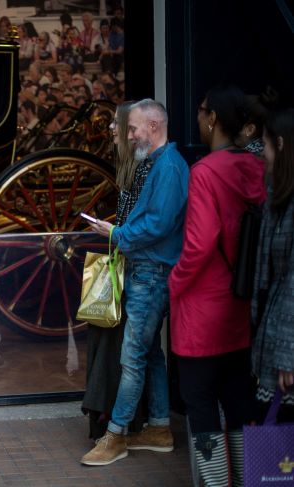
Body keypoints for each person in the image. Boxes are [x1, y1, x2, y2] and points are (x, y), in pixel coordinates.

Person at [82, 99, 189, 466]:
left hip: (151, 272)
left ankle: (116, 435)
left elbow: (157, 225)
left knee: (132, 358)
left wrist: (118, 233)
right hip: (148, 270)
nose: (128, 134)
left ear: (154, 127)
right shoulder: (159, 164)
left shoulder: (169, 167)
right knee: (151, 355)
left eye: (133, 129)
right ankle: (159, 427)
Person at [169, 85, 266, 486]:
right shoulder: (260, 167)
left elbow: (199, 243)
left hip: (201, 312)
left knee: (203, 407)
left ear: (212, 119)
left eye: (201, 111)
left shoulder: (205, 172)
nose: (197, 118)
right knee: (242, 404)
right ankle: (252, 480)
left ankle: (214, 483)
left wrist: (173, 283)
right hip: (241, 307)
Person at [81, 101, 150, 440]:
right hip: (124, 260)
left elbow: (140, 222)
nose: (110, 130)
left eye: (116, 125)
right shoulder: (128, 167)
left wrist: (114, 231)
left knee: (121, 344)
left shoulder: (140, 169)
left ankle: (115, 419)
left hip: (132, 265)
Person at [252, 108, 294, 425]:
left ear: (280, 144)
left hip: (286, 347)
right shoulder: (278, 197)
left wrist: (287, 356)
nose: (262, 153)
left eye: (265, 145)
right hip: (275, 332)